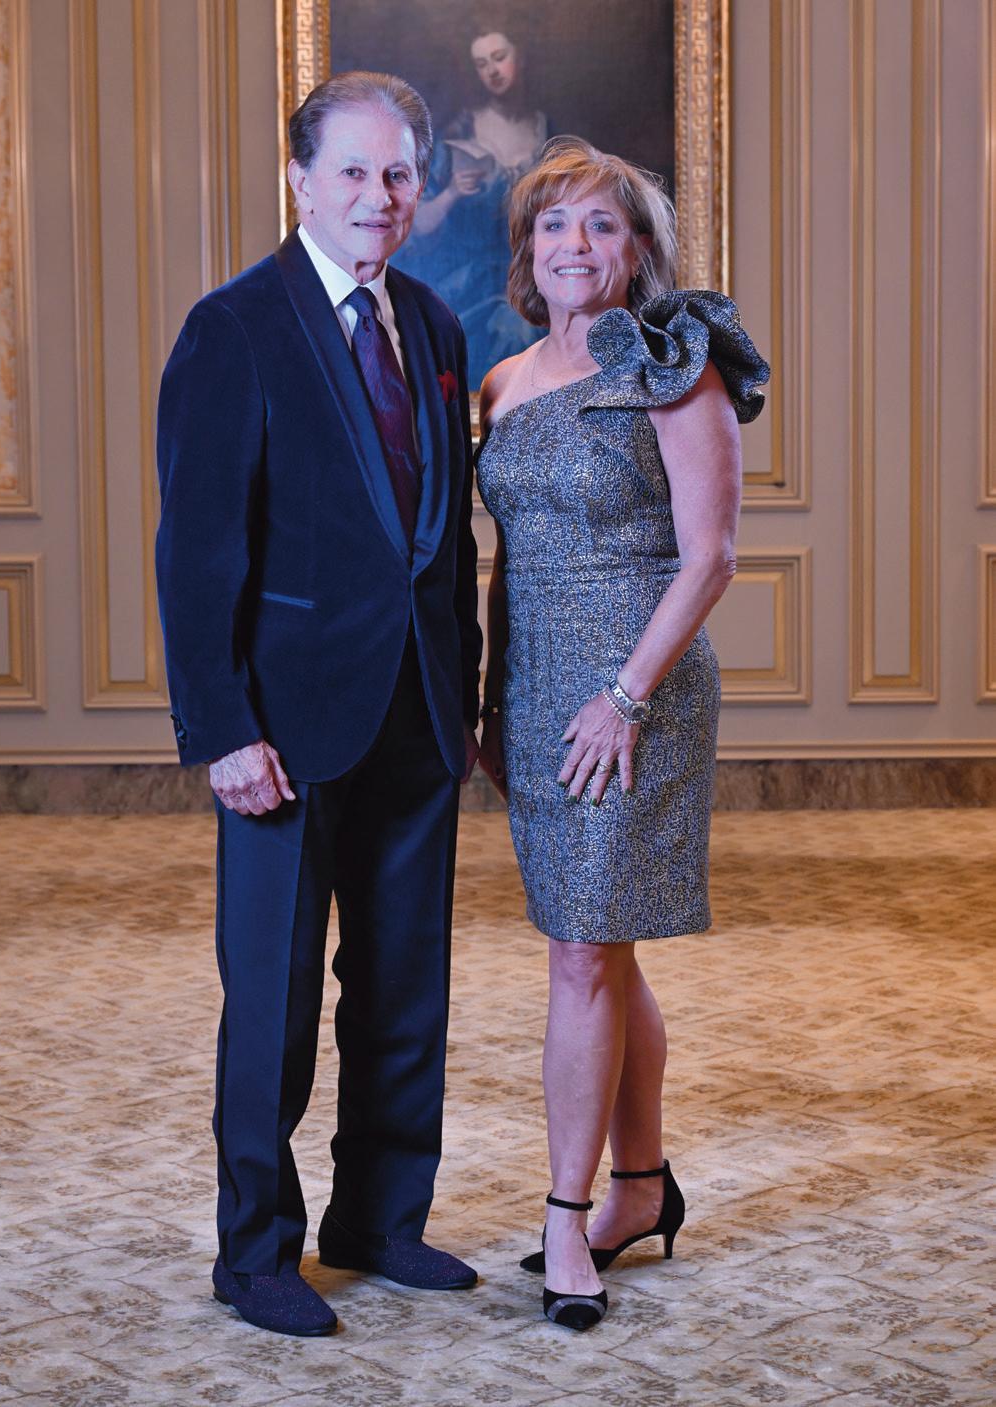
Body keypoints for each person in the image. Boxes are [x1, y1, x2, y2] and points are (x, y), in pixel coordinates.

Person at [155, 71, 482, 1338]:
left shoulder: (434, 329)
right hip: (282, 731)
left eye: (398, 172)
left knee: (403, 985)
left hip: (417, 714)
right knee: (276, 998)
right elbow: (197, 553)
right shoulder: (234, 328)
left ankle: (380, 1221)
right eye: (352, 170)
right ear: (298, 179)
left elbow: (442, 548)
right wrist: (223, 729)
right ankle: (255, 1253)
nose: (377, 195)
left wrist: (468, 703)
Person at [476, 136, 769, 1330]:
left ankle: (567, 1213)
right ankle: (643, 1186)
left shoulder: (673, 369)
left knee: (582, 954)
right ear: (527, 250)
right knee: (598, 945)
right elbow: (500, 566)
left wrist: (626, 698)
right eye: (554, 225)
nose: (574, 245)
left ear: (639, 250)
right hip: (537, 694)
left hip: (636, 696)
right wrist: (491, 701)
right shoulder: (501, 382)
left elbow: (712, 558)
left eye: (601, 224)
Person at [395, 12, 548, 380]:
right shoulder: (457, 133)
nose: (492, 71)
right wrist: (452, 192)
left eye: (499, 57)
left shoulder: (547, 128)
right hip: (472, 284)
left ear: (520, 57)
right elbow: (417, 225)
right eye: (482, 64)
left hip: (536, 281)